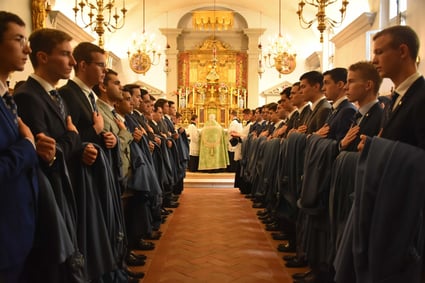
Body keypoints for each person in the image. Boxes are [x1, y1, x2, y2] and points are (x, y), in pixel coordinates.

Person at [0, 11, 39, 283]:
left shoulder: (6, 97)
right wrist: (28, 146)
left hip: (17, 230)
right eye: (18, 39)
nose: (27, 48)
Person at [372, 25, 425, 149]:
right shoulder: (395, 99)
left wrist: (379, 148)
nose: (374, 60)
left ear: (402, 51)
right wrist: (373, 146)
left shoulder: (421, 98)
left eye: (379, 52)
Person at [315, 67, 356, 141]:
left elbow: (340, 145)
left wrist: (314, 137)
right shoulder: (335, 108)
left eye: (326, 83)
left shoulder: (347, 110)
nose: (323, 88)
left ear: (340, 84)